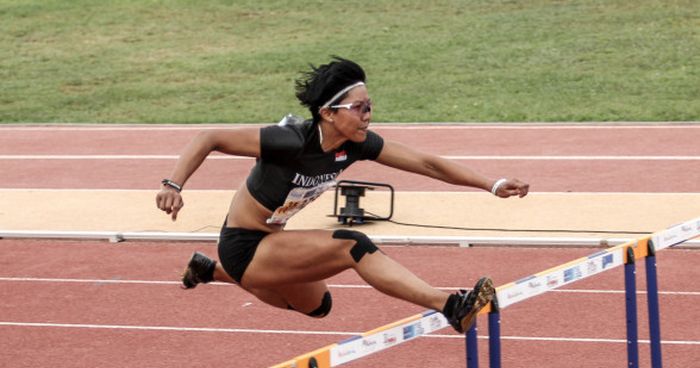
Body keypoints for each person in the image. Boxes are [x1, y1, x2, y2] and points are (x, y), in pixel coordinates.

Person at [155, 57, 529, 333]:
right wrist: (173, 184)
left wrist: (491, 184)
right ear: (329, 113)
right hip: (245, 244)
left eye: (370, 106)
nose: (368, 114)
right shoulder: (289, 141)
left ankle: (211, 272)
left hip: (273, 242)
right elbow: (210, 138)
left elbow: (426, 163)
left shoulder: (356, 144)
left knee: (319, 307)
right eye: (359, 107)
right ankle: (450, 306)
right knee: (353, 245)